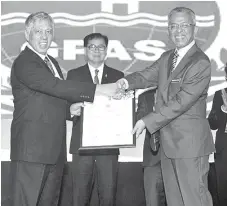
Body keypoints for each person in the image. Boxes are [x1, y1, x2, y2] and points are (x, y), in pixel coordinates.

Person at [10, 12, 117, 206]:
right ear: (27, 34)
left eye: (49, 31)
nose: (44, 36)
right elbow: (54, 86)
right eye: (38, 31)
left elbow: (52, 97)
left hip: (54, 152)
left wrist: (70, 110)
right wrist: (98, 90)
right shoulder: (25, 61)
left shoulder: (51, 62)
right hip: (32, 152)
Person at [116, 7, 215, 206]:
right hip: (168, 145)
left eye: (184, 25)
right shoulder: (167, 57)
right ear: (168, 31)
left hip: (190, 146)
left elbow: (181, 102)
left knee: (194, 200)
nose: (178, 31)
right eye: (173, 26)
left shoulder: (200, 62)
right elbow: (145, 76)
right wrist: (123, 83)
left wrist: (147, 121)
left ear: (194, 28)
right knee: (175, 201)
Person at [66, 33, 124, 206]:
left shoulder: (118, 76)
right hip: (81, 147)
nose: (97, 50)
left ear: (107, 50)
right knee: (79, 197)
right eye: (92, 46)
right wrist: (70, 110)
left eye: (101, 47)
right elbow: (65, 105)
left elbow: (123, 108)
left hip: (109, 146)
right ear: (85, 50)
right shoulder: (73, 75)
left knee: (108, 197)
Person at [136, 89, 166, 206]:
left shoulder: (179, 91)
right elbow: (138, 119)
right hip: (152, 157)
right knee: (152, 201)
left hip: (177, 156)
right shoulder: (145, 96)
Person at [208, 63, 227, 206]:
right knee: (223, 191)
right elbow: (212, 124)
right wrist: (223, 109)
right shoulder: (220, 94)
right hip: (223, 150)